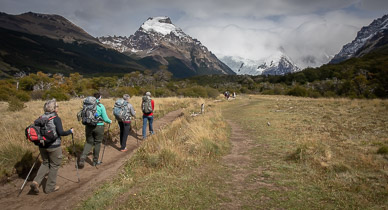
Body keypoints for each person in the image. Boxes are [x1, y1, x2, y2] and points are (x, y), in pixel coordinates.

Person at [30, 99, 73, 194]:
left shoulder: (41, 118)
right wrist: (70, 131)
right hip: (54, 146)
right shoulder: (56, 118)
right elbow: (61, 132)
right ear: (53, 108)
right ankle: (50, 187)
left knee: (45, 163)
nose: (58, 107)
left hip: (42, 145)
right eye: (57, 106)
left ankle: (36, 182)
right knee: (54, 165)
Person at [79, 93, 112, 168]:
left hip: (88, 126)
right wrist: (110, 121)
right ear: (99, 98)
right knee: (97, 143)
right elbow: (105, 119)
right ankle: (95, 161)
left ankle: (83, 157)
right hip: (99, 126)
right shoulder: (101, 106)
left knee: (89, 142)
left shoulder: (87, 105)